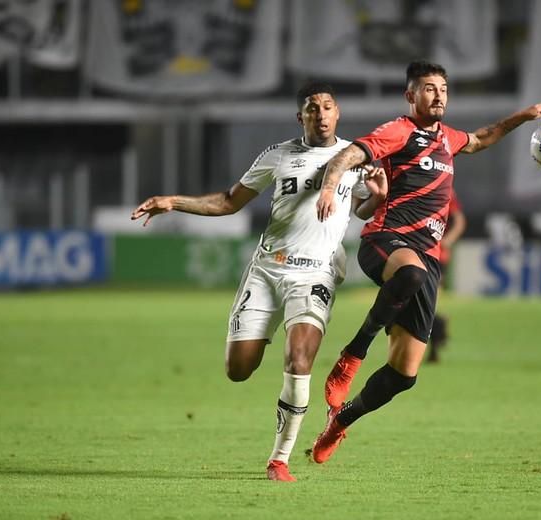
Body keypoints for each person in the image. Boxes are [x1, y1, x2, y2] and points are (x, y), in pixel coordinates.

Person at [310, 60, 541, 464]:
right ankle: (353, 353)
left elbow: (482, 138)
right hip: (385, 240)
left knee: (403, 375)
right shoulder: (399, 131)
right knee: (410, 272)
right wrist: (328, 187)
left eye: (443, 88)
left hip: (425, 260)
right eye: (429, 88)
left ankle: (340, 421)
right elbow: (351, 153)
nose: (439, 95)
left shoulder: (448, 138)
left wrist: (525, 115)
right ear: (411, 96)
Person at [131, 82, 387, 481]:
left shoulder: (355, 157)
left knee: (299, 359)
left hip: (315, 273)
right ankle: (271, 362)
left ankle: (279, 460)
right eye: (312, 108)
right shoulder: (278, 155)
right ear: (300, 117)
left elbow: (359, 210)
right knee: (239, 369)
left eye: (328, 107)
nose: (321, 114)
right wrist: (174, 201)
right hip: (268, 270)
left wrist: (377, 195)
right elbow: (230, 201)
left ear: (338, 113)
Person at [427, 192, 466, 363]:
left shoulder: (444, 188)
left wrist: (447, 240)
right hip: (416, 250)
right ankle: (439, 326)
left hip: (437, 256)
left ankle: (434, 349)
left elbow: (459, 220)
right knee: (419, 305)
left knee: (427, 303)